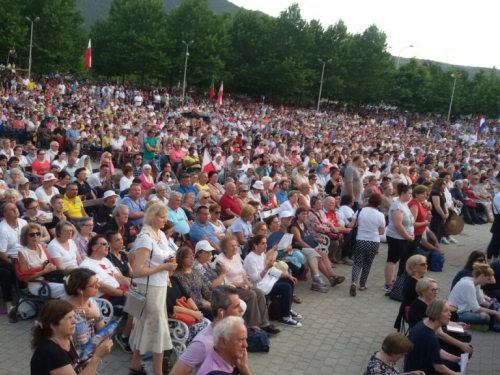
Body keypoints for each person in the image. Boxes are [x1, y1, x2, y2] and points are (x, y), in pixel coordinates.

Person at [129, 203, 177, 375]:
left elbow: (162, 258)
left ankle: (135, 365)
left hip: (159, 286)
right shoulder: (145, 238)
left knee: (146, 327)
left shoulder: (161, 235)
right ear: (152, 217)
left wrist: (170, 262)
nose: (165, 220)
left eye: (165, 216)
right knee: (157, 330)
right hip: (149, 289)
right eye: (162, 217)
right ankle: (158, 372)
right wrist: (163, 268)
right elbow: (137, 270)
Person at [169, 285, 245, 375]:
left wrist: (244, 368)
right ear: (221, 312)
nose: (241, 309)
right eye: (236, 307)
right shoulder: (203, 343)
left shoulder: (234, 333)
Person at [30, 299, 113, 375]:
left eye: (74, 316)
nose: (74, 321)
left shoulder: (66, 338)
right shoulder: (50, 352)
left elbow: (74, 361)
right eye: (69, 318)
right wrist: (97, 357)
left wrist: (88, 360)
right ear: (53, 325)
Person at [216, 236, 280, 334]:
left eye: (236, 245)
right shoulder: (220, 261)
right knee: (251, 294)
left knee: (259, 292)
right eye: (232, 246)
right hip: (230, 289)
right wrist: (241, 284)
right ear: (224, 249)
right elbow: (226, 282)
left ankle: (265, 323)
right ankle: (254, 326)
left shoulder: (236, 255)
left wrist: (247, 282)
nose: (235, 248)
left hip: (242, 284)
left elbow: (243, 271)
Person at [244, 235, 302, 327]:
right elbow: (255, 279)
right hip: (260, 286)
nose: (265, 245)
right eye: (263, 243)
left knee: (289, 281)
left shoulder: (262, 254)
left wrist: (288, 275)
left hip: (268, 281)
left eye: (266, 243)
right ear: (255, 245)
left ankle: (287, 309)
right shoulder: (250, 258)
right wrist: (266, 268)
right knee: (285, 287)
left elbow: (272, 270)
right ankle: (285, 318)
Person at [289, 206, 345, 288]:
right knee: (318, 256)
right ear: (297, 215)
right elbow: (299, 240)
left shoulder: (303, 223)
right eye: (302, 214)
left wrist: (317, 239)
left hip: (307, 246)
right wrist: (311, 248)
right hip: (298, 248)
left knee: (323, 255)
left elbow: (308, 236)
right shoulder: (294, 226)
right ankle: (331, 277)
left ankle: (332, 276)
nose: (305, 216)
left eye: (306, 214)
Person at [404, 299, 463, 375]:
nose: (450, 314)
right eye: (445, 311)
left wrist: (455, 359)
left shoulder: (424, 323)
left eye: (449, 310)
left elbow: (436, 350)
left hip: (414, 366)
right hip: (418, 371)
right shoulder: (429, 336)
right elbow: (438, 367)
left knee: (454, 364)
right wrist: (455, 374)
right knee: (455, 368)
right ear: (436, 313)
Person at [17, 223, 66, 299]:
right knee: (67, 290)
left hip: (51, 279)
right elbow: (25, 278)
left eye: (38, 234)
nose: (36, 236)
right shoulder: (23, 253)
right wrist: (44, 271)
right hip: (37, 285)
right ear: (25, 237)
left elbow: (51, 266)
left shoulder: (42, 246)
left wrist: (50, 268)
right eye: (32, 235)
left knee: (74, 286)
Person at [350, 194, 385, 296]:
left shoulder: (360, 211)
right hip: (373, 241)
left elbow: (353, 224)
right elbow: (382, 232)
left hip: (360, 239)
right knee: (368, 263)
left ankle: (353, 281)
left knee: (357, 262)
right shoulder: (380, 215)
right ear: (379, 203)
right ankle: (362, 284)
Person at [64, 268, 106, 353]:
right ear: (80, 290)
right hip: (73, 357)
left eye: (97, 281)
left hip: (90, 352)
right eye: (93, 284)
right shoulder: (66, 310)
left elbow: (103, 333)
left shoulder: (92, 302)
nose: (98, 286)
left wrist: (97, 316)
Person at [448, 262, 500, 330]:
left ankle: (475, 324)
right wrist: (495, 313)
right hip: (458, 313)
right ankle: (470, 325)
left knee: (488, 314)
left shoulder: (476, 283)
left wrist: (497, 308)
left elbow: (482, 301)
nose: (488, 282)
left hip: (465, 310)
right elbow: (476, 308)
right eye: (488, 279)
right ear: (482, 276)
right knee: (486, 317)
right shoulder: (469, 285)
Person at [384, 184, 415, 292]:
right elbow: (398, 224)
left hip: (404, 237)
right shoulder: (397, 205)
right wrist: (407, 236)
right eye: (409, 193)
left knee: (396, 260)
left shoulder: (404, 204)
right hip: (396, 237)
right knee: (392, 260)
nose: (410, 196)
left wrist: (412, 233)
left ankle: (392, 280)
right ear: (402, 193)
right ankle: (388, 284)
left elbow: (409, 221)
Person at [173, 245, 213, 319]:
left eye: (193, 256)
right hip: (193, 308)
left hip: (203, 304)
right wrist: (212, 307)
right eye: (189, 257)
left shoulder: (194, 272)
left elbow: (205, 291)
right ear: (181, 259)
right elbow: (189, 296)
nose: (192, 258)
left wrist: (215, 302)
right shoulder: (178, 276)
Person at [429, 178, 449, 244]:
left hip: (442, 215)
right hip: (436, 216)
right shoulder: (435, 193)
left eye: (445, 184)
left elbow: (444, 204)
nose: (444, 185)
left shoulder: (442, 193)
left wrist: (447, 213)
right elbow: (437, 207)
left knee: (440, 233)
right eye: (443, 184)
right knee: (436, 233)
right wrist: (443, 216)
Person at [486, 190, 500, 263]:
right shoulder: (498, 196)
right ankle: (488, 260)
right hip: (498, 223)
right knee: (494, 242)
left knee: (497, 243)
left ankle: (495, 259)